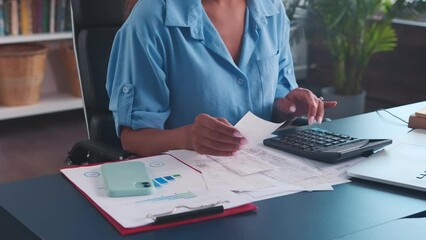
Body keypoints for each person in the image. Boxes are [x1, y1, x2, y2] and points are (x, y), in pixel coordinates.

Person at [106, 0, 337, 157]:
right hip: (191, 182)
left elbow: (275, 95)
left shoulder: (271, 8)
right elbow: (133, 139)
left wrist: (287, 105)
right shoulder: (150, 19)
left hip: (263, 171)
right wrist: (188, 138)